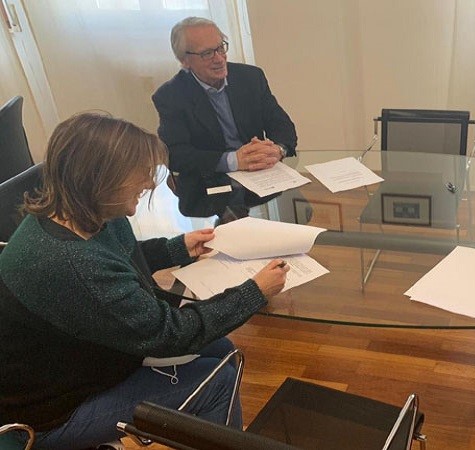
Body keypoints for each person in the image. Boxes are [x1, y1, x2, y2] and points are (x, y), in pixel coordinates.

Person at [0, 112, 289, 448]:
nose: (149, 183)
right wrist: (255, 292)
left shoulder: (73, 216)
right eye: (139, 172)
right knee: (218, 381)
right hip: (51, 412)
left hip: (84, 361)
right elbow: (169, 334)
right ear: (100, 179)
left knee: (222, 348)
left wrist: (175, 248)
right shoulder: (74, 263)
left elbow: (117, 260)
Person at [152, 17, 297, 178]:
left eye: (220, 48)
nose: (219, 59)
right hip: (208, 181)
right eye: (207, 53)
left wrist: (277, 149)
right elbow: (175, 154)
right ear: (184, 60)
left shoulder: (251, 77)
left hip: (259, 174)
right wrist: (233, 160)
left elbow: (281, 125)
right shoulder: (170, 96)